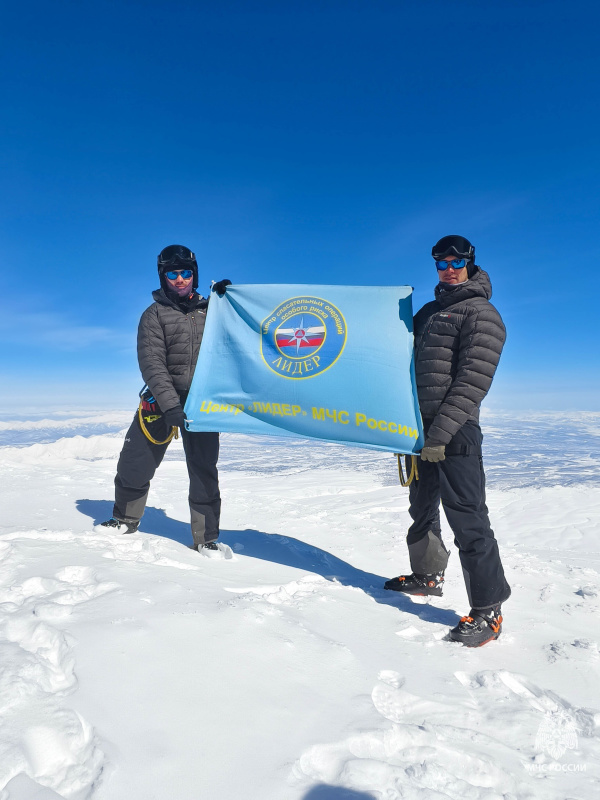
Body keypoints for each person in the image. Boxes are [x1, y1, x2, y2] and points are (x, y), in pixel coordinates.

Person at [385, 235, 511, 646]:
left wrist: (439, 435)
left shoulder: (482, 315)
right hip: (420, 433)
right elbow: (388, 345)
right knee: (421, 508)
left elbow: (471, 384)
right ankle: (427, 575)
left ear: (471, 264)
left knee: (469, 520)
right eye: (441, 263)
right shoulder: (427, 312)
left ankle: (488, 611)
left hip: (455, 434)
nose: (449, 268)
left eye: (457, 261)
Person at [98, 244, 231, 551]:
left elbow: (238, 333)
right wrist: (170, 403)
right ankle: (125, 519)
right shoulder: (154, 315)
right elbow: (152, 363)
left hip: (201, 403)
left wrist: (228, 302)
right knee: (136, 461)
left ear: (194, 276)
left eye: (186, 273)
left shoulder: (211, 312)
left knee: (203, 471)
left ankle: (206, 539)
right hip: (160, 401)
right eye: (173, 273)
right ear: (163, 276)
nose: (180, 279)